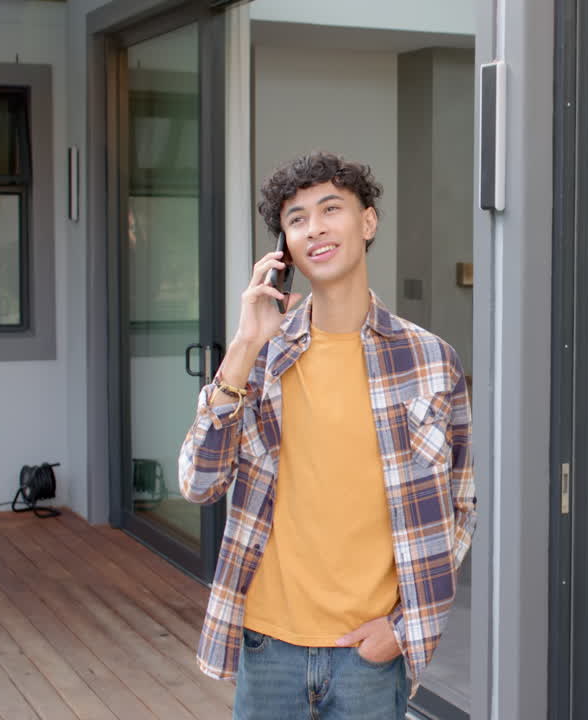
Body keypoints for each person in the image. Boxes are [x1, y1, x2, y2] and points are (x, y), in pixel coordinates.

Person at [178, 151, 477, 719]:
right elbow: (198, 482)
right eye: (295, 218)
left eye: (330, 209)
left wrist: (403, 627)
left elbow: (461, 506)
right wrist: (242, 349)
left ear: (367, 222)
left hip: (369, 655)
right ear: (283, 251)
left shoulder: (431, 362)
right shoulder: (259, 360)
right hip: (269, 647)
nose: (313, 227)